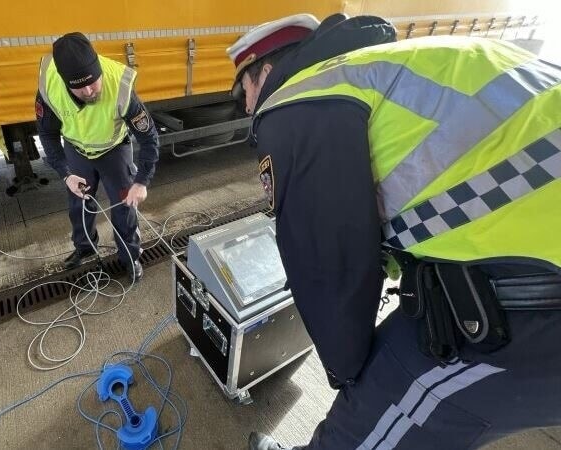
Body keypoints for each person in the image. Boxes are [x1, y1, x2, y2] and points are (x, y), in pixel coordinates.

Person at [227, 13, 561, 450]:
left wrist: (346, 369)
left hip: (532, 288)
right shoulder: (379, 68)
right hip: (529, 245)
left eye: (245, 93)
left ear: (266, 72)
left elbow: (329, 268)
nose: (248, 107)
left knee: (378, 404)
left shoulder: (294, 102)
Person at [36, 32, 160, 281]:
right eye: (80, 86)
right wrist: (66, 174)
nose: (90, 90)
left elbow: (149, 139)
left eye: (94, 81)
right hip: (76, 152)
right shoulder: (50, 85)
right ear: (64, 80)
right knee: (78, 204)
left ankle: (130, 256)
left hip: (115, 151)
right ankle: (84, 247)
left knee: (125, 205)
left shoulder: (120, 85)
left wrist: (141, 181)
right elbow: (47, 135)